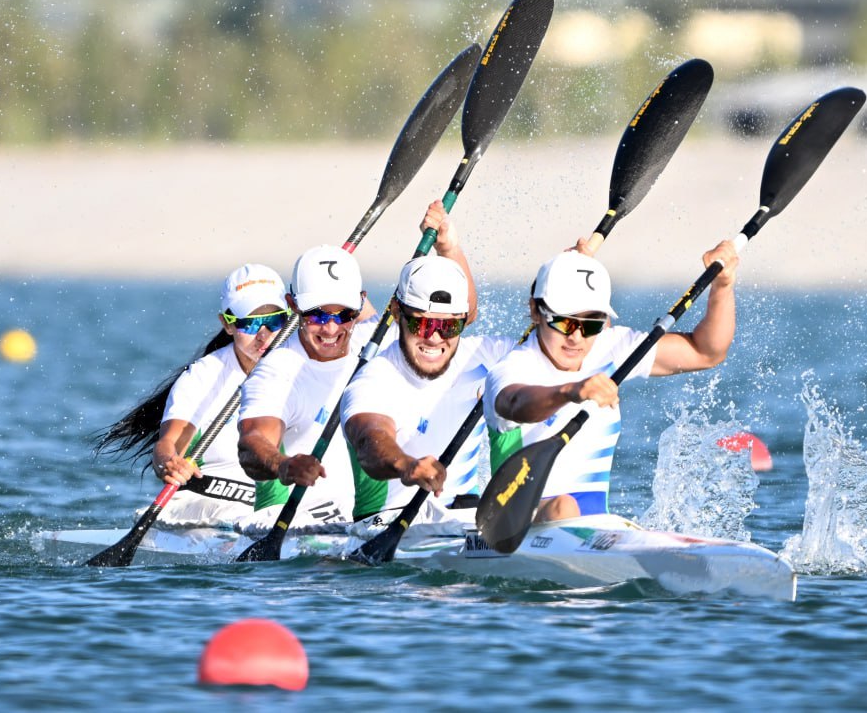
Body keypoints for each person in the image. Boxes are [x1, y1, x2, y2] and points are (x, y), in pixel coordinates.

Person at [237, 201, 462, 526]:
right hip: (291, 524)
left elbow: (455, 317)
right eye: (317, 315)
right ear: (292, 306)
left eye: (344, 315)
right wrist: (283, 465)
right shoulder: (277, 371)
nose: (331, 329)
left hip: (365, 524)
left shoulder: (379, 340)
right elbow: (253, 442)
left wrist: (448, 248)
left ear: (360, 304)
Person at [482, 242, 739, 523]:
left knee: (569, 510)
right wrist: (571, 391)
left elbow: (707, 352)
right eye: (563, 322)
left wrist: (723, 286)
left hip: (590, 525)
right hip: (514, 525)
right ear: (535, 311)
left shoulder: (611, 348)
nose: (576, 337)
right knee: (563, 508)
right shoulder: (513, 368)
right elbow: (515, 403)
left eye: (591, 324)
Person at [91, 263, 290, 527]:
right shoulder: (203, 376)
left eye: (275, 321)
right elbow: (169, 443)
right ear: (228, 325)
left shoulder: (306, 366)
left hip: (278, 511)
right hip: (204, 509)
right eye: (250, 324)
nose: (264, 336)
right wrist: (169, 463)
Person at [341, 254, 512, 525]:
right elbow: (370, 442)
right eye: (421, 323)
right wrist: (407, 465)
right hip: (388, 523)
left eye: (449, 326)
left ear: (464, 321)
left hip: (463, 518)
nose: (434, 337)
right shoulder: (375, 379)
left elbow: (562, 344)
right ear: (396, 312)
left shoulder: (486, 356)